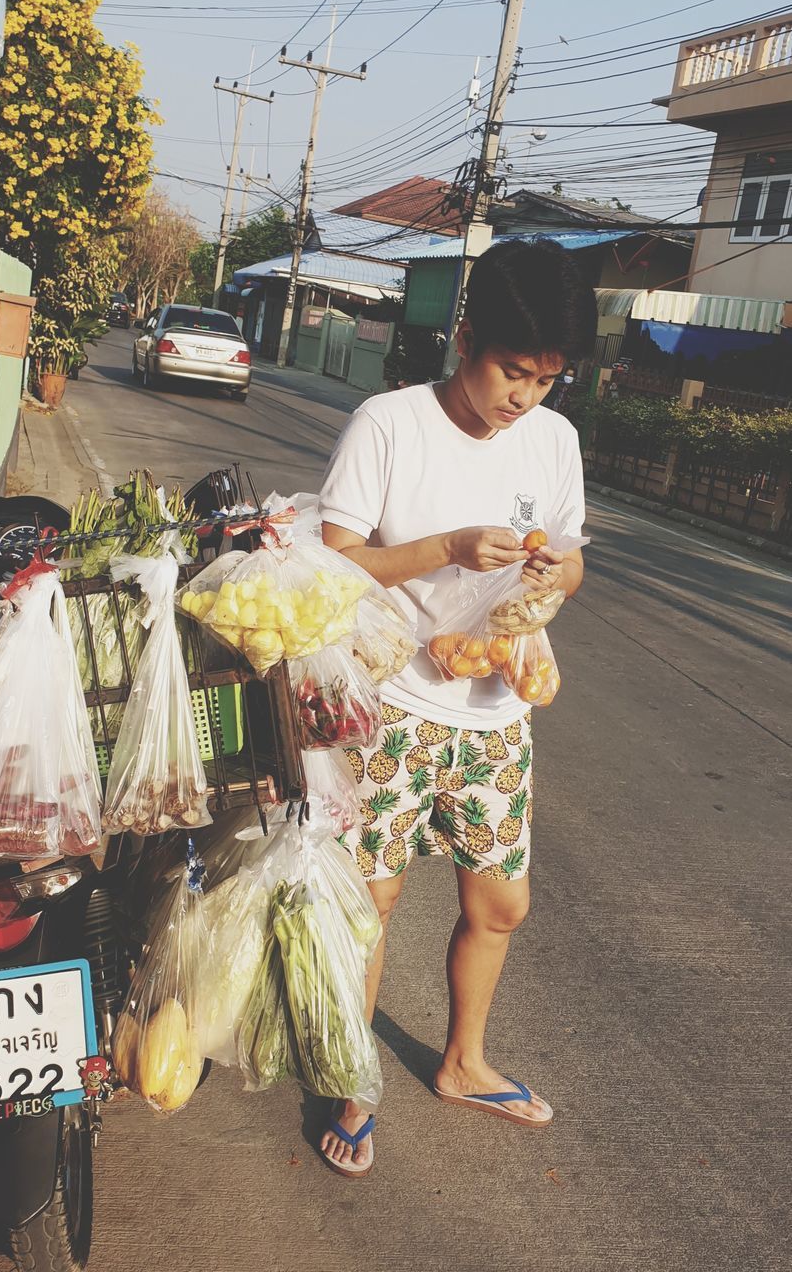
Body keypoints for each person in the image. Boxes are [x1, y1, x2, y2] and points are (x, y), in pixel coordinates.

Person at [318, 238, 597, 1177]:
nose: (525, 397)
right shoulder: (387, 424)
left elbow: (574, 558)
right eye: (513, 371)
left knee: (502, 902)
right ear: (465, 338)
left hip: (494, 710)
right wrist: (442, 546)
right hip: (391, 701)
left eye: (546, 379)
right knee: (373, 901)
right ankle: (358, 1085)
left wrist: (559, 569)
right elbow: (330, 563)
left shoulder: (555, 441)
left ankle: (464, 1064)